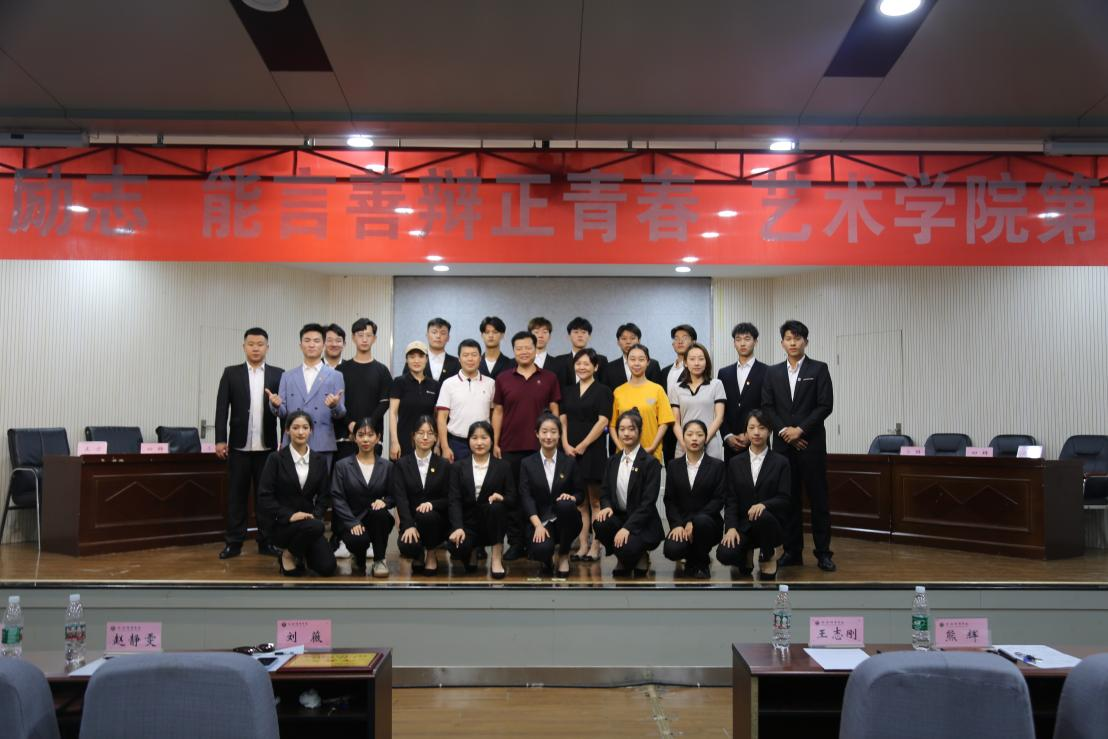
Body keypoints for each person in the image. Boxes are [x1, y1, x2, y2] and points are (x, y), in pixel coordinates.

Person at [761, 319, 836, 572]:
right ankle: (792, 552)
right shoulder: (772, 372)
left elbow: (825, 405)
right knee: (788, 500)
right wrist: (785, 432)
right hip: (783, 447)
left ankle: (823, 553)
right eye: (788, 339)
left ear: (806, 341)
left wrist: (800, 430)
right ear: (782, 343)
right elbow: (767, 406)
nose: (793, 343)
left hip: (811, 444)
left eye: (797, 338)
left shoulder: (819, 369)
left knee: (818, 500)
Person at [214, 327, 284, 560]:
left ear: (267, 347)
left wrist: (284, 441)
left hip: (267, 448)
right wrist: (220, 439)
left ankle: (267, 541)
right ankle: (234, 542)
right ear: (244, 347)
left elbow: (284, 410)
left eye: (260, 344)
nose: (255, 348)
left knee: (266, 498)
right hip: (239, 447)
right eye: (251, 344)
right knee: (236, 496)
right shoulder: (231, 373)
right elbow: (221, 409)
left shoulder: (278, 374)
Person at [492, 330, 561, 561]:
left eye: (528, 347)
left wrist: (555, 441)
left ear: (535, 349)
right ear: (513, 351)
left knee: (538, 496)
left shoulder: (549, 377)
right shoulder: (503, 378)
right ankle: (515, 542)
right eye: (519, 348)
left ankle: (537, 540)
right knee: (512, 498)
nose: (524, 352)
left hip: (541, 448)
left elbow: (555, 411)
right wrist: (495, 442)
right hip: (510, 446)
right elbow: (498, 412)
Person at [257, 411, 337, 577]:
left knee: (327, 568)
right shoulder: (275, 458)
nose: (301, 432)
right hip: (282, 524)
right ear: (287, 430)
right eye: (295, 427)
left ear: (311, 431)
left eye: (305, 428)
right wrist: (290, 515)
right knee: (317, 527)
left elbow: (324, 496)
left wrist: (316, 515)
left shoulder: (319, 460)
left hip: (310, 524)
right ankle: (287, 555)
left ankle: (297, 553)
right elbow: (265, 496)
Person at [716, 410, 791, 580]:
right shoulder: (735, 463)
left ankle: (768, 552)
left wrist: (764, 505)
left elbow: (785, 498)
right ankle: (747, 549)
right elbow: (731, 500)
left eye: (762, 428)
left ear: (769, 431)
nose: (757, 432)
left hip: (771, 524)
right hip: (744, 526)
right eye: (752, 428)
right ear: (746, 432)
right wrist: (731, 528)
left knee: (761, 515)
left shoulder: (781, 462)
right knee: (725, 554)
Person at [594, 409, 664, 577]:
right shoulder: (612, 461)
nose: (626, 433)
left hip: (642, 522)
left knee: (628, 547)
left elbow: (648, 503)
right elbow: (604, 492)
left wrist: (627, 528)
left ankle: (641, 554)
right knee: (600, 524)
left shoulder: (650, 463)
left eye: (631, 429)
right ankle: (622, 557)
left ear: (640, 431)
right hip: (619, 517)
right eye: (622, 429)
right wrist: (606, 506)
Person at [558, 348, 612, 562]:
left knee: (595, 501)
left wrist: (583, 445)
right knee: (579, 503)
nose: (582, 367)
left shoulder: (603, 391)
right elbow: (562, 419)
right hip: (570, 451)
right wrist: (565, 443)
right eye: (578, 364)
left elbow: (603, 421)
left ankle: (596, 546)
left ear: (595, 367)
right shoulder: (568, 390)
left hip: (593, 450)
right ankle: (582, 545)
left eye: (586, 364)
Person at [268, 323, 346, 469]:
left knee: (320, 483)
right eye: (307, 340)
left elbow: (341, 413)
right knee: (291, 482)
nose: (311, 345)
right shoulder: (287, 376)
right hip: (292, 443)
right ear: (300, 345)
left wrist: (335, 405)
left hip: (322, 443)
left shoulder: (335, 376)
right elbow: (282, 413)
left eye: (316, 341)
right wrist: (275, 405)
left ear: (323, 345)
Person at [518, 412, 585, 576]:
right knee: (541, 549)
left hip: (565, 520)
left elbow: (580, 493)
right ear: (537, 434)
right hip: (540, 520)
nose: (548, 436)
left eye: (553, 432)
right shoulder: (527, 463)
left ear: (560, 434)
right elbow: (526, 497)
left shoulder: (569, 462)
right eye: (544, 431)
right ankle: (546, 559)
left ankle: (563, 555)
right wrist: (538, 525)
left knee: (565, 504)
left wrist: (572, 498)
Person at [447, 421, 514, 579]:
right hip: (467, 525)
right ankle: (471, 550)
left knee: (497, 507)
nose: (479, 442)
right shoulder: (457, 467)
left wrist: (502, 498)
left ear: (491, 440)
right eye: (474, 438)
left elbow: (513, 498)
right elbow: (454, 500)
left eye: (484, 437)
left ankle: (496, 557)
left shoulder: (503, 466)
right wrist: (457, 527)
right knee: (456, 548)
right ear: (468, 440)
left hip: (491, 523)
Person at [329, 417, 394, 577]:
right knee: (357, 541)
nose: (365, 439)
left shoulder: (387, 466)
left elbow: (394, 495)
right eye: (361, 435)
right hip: (350, 519)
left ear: (378, 438)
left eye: (370, 435)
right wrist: (351, 522)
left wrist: (384, 502)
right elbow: (337, 497)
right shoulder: (342, 466)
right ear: (354, 437)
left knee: (380, 514)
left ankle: (380, 560)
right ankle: (358, 558)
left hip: (375, 519)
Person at [662, 420, 725, 579]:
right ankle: (692, 557)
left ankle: (702, 563)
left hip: (708, 523)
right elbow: (669, 500)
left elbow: (718, 499)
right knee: (672, 550)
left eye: (699, 434)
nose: (694, 438)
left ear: (706, 438)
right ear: (683, 437)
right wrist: (677, 525)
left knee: (701, 522)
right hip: (681, 523)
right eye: (690, 434)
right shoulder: (673, 465)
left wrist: (693, 521)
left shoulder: (717, 466)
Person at [392, 415, 452, 575]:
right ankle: (418, 553)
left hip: (436, 522)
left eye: (430, 433)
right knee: (408, 546)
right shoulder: (401, 464)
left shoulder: (444, 465)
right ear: (413, 436)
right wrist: (408, 525)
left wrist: (432, 504)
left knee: (427, 515)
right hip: (412, 522)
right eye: (420, 433)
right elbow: (401, 498)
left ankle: (431, 554)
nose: (425, 437)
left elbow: (449, 498)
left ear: (436, 437)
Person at [337, 318, 392, 458]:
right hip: (346, 437)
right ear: (353, 338)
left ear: (374, 339)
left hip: (373, 438)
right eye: (360, 335)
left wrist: (366, 427)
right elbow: (337, 403)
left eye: (368, 335)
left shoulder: (382, 370)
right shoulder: (341, 370)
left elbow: (385, 403)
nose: (364, 339)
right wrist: (350, 424)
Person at [609, 344, 674, 463]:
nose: (636, 363)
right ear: (627, 362)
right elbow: (612, 425)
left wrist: (653, 447)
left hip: (651, 454)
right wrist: (620, 447)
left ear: (648, 362)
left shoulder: (657, 390)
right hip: (624, 456)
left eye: (641, 359)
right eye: (632, 359)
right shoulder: (618, 391)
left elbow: (664, 422)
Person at [435, 339, 494, 463]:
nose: (470, 359)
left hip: (483, 442)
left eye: (474, 355)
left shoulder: (491, 383)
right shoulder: (448, 384)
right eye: (465, 355)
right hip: (456, 443)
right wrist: (445, 447)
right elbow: (441, 417)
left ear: (480, 358)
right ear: (459, 359)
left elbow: (494, 415)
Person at [718, 322, 768, 461]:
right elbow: (720, 409)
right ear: (734, 343)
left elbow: (768, 407)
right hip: (731, 444)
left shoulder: (767, 371)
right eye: (738, 339)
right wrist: (727, 435)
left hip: (758, 440)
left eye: (747, 339)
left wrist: (749, 434)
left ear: (755, 342)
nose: (742, 343)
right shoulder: (724, 373)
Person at [669, 342, 727, 460]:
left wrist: (703, 441)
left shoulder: (716, 384)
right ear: (685, 363)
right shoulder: (676, 388)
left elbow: (719, 417)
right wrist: (685, 443)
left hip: (709, 443)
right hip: (683, 445)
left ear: (706, 362)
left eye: (701, 359)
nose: (696, 363)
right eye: (692, 359)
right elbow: (675, 421)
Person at [388, 341, 440, 459]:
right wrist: (394, 442)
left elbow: (439, 417)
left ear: (426, 359)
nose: (416, 360)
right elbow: (393, 413)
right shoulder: (399, 382)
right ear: (406, 360)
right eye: (412, 357)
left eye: (421, 356)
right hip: (403, 441)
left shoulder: (435, 385)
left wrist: (437, 444)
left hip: (427, 441)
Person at [659, 325, 696, 462]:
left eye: (685, 338)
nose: (680, 341)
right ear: (673, 344)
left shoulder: (697, 370)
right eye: (676, 338)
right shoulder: (664, 371)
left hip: (688, 425)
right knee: (671, 466)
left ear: (693, 342)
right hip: (667, 427)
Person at [602, 322, 664, 389]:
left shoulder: (653, 365)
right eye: (624, 338)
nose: (628, 342)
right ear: (618, 342)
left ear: (639, 341)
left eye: (632, 338)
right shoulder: (609, 368)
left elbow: (657, 389)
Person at [553, 316, 608, 388]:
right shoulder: (558, 361)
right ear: (569, 336)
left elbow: (604, 386)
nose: (580, 335)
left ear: (589, 336)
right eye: (576, 332)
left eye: (583, 332)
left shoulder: (601, 360)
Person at [426, 317, 461, 381]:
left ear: (448, 338)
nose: (438, 336)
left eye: (443, 333)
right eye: (434, 332)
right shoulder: (416, 360)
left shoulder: (457, 363)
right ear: (427, 335)